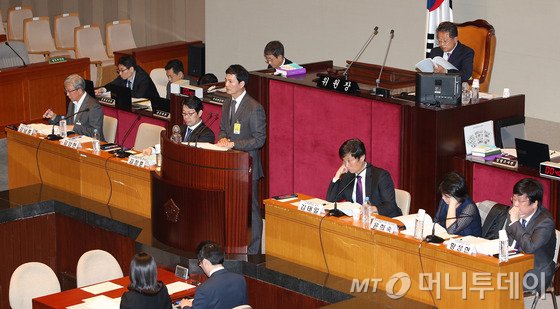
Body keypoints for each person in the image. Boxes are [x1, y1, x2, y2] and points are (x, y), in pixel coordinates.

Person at [216, 64, 266, 254]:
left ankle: (253, 252)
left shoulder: (254, 108)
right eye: (226, 80)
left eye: (230, 81)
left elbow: (259, 140)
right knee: (231, 206)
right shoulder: (227, 103)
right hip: (229, 164)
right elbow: (223, 128)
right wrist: (222, 138)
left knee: (251, 211)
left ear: (241, 83)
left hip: (247, 166)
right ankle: (234, 244)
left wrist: (233, 144)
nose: (226, 84)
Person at [326, 138, 401, 218]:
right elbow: (331, 200)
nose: (346, 165)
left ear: (362, 158)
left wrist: (371, 209)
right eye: (344, 161)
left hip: (383, 221)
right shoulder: (348, 176)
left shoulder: (380, 176)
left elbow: (390, 205)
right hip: (358, 221)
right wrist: (337, 175)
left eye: (349, 161)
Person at [506, 178, 556, 293]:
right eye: (514, 199)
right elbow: (508, 238)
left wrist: (515, 223)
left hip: (536, 270)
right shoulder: (514, 211)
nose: (516, 205)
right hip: (512, 262)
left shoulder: (545, 222)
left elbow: (529, 247)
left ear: (535, 203)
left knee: (497, 284)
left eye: (521, 201)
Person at [179, 241, 248, 309]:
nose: (200, 266)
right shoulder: (240, 279)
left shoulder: (203, 289)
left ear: (205, 262)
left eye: (200, 263)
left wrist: (185, 306)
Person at [143, 96, 215, 155]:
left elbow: (193, 153)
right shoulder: (180, 128)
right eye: (184, 113)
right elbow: (169, 145)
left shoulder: (207, 134)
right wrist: (152, 150)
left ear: (200, 113)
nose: (186, 117)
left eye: (190, 114)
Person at [43, 74, 105, 140]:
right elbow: (68, 123)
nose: (67, 94)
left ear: (79, 91)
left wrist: (74, 127)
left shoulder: (94, 106)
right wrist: (54, 116)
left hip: (93, 145)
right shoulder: (72, 103)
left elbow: (95, 132)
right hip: (76, 141)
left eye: (69, 91)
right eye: (66, 91)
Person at [435, 172, 482, 236]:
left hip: (469, 242)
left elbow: (451, 230)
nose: (443, 198)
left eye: (446, 196)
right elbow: (436, 221)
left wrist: (452, 203)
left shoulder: (470, 207)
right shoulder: (445, 200)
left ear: (456, 197)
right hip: (449, 240)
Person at [95, 55, 159, 99]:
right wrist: (102, 89)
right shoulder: (124, 75)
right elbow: (113, 84)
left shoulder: (143, 78)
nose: (120, 73)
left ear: (131, 69)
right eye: (118, 70)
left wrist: (119, 92)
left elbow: (138, 95)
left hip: (152, 107)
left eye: (122, 70)